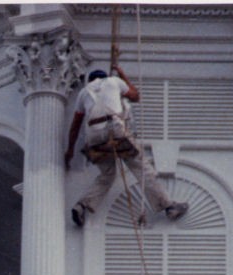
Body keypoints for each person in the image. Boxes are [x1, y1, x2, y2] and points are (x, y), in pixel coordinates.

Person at [64, 64, 188, 227]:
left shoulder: (83, 92)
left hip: (93, 136)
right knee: (141, 168)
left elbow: (75, 125)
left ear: (91, 80)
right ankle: (168, 205)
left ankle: (81, 206)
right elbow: (136, 96)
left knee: (107, 175)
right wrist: (123, 75)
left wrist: (70, 150)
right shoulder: (114, 81)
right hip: (114, 128)